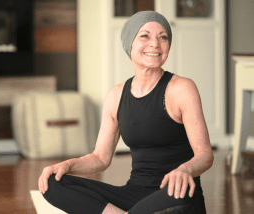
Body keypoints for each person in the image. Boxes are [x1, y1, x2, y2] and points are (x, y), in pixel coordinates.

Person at [38, 11, 214, 214]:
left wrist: (184, 170)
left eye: (163, 37)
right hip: (133, 196)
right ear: (130, 43)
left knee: (180, 196)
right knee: (53, 182)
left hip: (173, 195)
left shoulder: (182, 88)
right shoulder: (116, 95)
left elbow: (205, 155)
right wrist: (67, 165)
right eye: (145, 36)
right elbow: (100, 158)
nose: (155, 44)